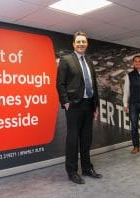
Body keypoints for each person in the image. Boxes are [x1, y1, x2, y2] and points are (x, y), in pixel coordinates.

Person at [56, 31, 102, 184]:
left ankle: (87, 168)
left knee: (86, 139)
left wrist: (95, 105)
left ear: (87, 43)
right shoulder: (66, 60)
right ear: (74, 44)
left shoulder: (89, 62)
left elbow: (93, 84)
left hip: (89, 105)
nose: (81, 44)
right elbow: (60, 83)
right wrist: (66, 101)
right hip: (74, 105)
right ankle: (72, 171)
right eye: (78, 41)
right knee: (73, 140)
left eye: (84, 41)